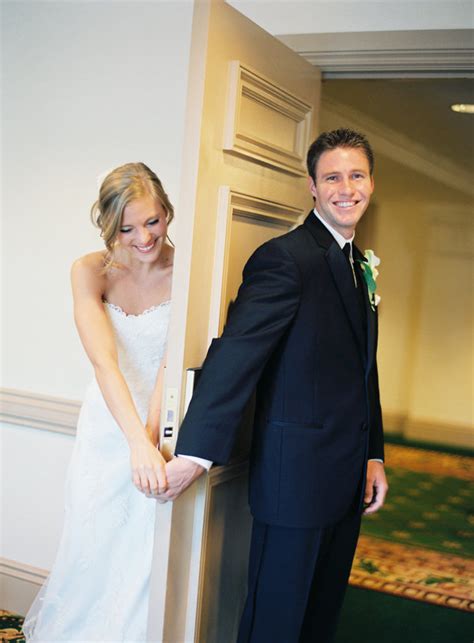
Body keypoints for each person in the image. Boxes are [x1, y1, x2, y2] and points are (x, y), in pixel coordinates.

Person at [160, 129, 389, 643]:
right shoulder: (285, 259)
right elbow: (237, 355)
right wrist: (195, 455)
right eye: (332, 177)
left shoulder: (359, 264)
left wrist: (373, 455)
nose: (345, 187)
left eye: (356, 175)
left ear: (371, 183)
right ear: (312, 186)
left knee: (318, 619)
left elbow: (363, 371)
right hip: (295, 485)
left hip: (347, 479)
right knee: (276, 625)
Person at [23, 163, 174, 641]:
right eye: (127, 228)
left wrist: (151, 442)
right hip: (108, 429)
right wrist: (133, 442)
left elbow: (172, 363)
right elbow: (105, 363)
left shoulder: (190, 271)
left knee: (146, 551)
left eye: (153, 221)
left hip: (163, 426)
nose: (143, 237)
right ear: (109, 226)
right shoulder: (90, 270)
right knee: (95, 540)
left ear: (167, 211)